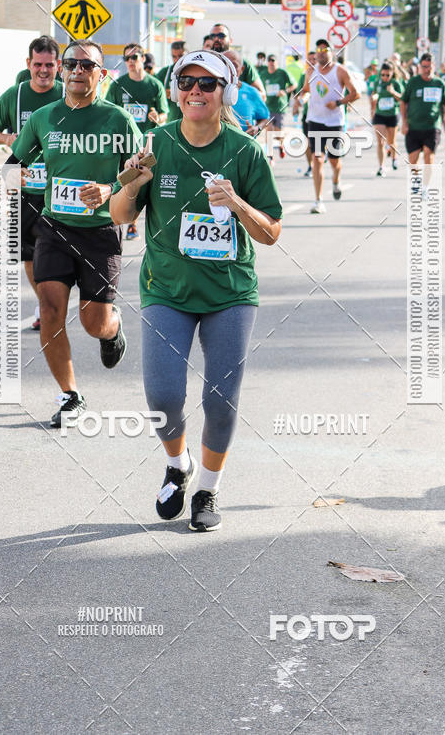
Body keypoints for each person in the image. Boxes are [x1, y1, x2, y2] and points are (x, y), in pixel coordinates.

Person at [109, 49, 283, 532]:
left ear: (225, 93)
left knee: (220, 399)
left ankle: (207, 488)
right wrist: (130, 185)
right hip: (166, 288)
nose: (196, 92)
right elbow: (120, 217)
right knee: (163, 396)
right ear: (174, 90)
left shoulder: (245, 151)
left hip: (229, 293)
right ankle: (177, 463)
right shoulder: (156, 143)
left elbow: (270, 232)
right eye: (186, 82)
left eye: (208, 84)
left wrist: (238, 203)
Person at [7, 39, 142, 426]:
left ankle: (112, 327)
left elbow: (140, 172)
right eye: (71, 64)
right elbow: (14, 163)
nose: (78, 70)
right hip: (54, 226)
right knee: (50, 310)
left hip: (100, 231)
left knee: (92, 322)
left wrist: (109, 191)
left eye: (87, 66)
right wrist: (16, 182)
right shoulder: (44, 117)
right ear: (63, 71)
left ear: (101, 74)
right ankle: (70, 396)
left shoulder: (116, 119)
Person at [0, 36, 64, 330]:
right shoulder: (14, 96)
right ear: (28, 64)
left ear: (58, 66)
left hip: (60, 191)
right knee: (28, 254)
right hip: (24, 188)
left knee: (66, 251)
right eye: (38, 64)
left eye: (49, 65)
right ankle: (45, 304)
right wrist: (7, 138)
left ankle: (56, 302)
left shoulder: (68, 93)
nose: (43, 71)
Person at [106, 43, 167, 239]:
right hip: (124, 143)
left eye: (134, 57)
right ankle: (129, 223)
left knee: (144, 182)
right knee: (127, 181)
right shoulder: (118, 85)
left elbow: (164, 114)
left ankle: (147, 223)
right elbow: (109, 111)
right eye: (126, 59)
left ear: (143, 58)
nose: (130, 62)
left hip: (146, 144)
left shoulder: (154, 85)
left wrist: (157, 117)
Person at [299, 39, 360, 214]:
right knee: (317, 159)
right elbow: (305, 90)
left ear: (331, 52)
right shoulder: (311, 71)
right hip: (315, 120)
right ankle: (318, 200)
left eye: (325, 49)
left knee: (334, 161)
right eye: (318, 49)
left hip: (334, 122)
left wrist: (339, 102)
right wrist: (300, 100)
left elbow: (356, 93)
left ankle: (336, 180)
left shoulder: (340, 71)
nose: (321, 52)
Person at [400, 53, 445, 178]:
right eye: (424, 67)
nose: (427, 70)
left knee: (428, 156)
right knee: (413, 159)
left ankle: (426, 187)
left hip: (432, 126)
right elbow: (403, 101)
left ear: (434, 66)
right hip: (413, 126)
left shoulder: (440, 83)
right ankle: (416, 186)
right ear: (420, 67)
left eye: (429, 67)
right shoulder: (413, 82)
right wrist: (404, 122)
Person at [208, 23, 267, 99]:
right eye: (212, 36)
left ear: (230, 40)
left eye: (221, 36)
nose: (216, 39)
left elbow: (262, 95)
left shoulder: (242, 63)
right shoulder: (206, 63)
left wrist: (239, 89)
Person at [224, 49, 270, 139]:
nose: (229, 69)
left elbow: (265, 119)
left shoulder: (252, 92)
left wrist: (257, 128)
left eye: (234, 65)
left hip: (245, 148)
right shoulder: (209, 91)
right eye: (225, 64)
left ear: (242, 69)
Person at [260, 54, 296, 161]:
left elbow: (293, 85)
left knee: (278, 132)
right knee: (269, 130)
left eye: (273, 61)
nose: (271, 63)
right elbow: (259, 87)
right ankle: (270, 154)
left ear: (277, 62)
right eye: (269, 61)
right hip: (268, 107)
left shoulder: (282, 73)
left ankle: (281, 145)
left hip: (280, 107)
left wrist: (284, 91)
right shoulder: (263, 74)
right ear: (267, 63)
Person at [371, 62, 403, 175]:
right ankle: (381, 166)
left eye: (387, 75)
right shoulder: (377, 83)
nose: (385, 77)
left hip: (392, 115)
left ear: (392, 74)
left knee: (391, 141)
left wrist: (393, 92)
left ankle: (394, 158)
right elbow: (374, 95)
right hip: (380, 115)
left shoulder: (395, 83)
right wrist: (373, 108)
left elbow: (402, 99)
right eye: (383, 75)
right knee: (380, 142)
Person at [293, 51, 317, 177]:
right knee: (308, 142)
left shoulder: (324, 75)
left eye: (314, 59)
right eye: (310, 60)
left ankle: (318, 162)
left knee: (319, 143)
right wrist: (296, 107)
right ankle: (311, 166)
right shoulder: (304, 76)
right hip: (308, 115)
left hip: (322, 116)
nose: (312, 62)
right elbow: (299, 94)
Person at [155, 40, 186, 123]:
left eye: (180, 56)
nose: (177, 60)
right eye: (174, 56)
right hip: (171, 123)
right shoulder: (165, 73)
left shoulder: (195, 72)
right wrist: (163, 93)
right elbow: (153, 94)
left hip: (191, 123)